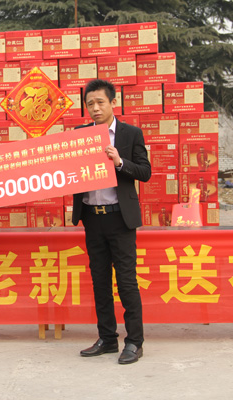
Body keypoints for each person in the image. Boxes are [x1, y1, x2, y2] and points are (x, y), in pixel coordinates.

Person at [71, 79, 151, 364]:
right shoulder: (79, 136)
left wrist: (119, 162)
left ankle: (134, 342)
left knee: (126, 281)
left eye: (100, 102)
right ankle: (106, 338)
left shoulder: (130, 134)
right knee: (100, 282)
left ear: (113, 103)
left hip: (120, 218)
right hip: (93, 218)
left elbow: (145, 171)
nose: (95, 108)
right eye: (90, 103)